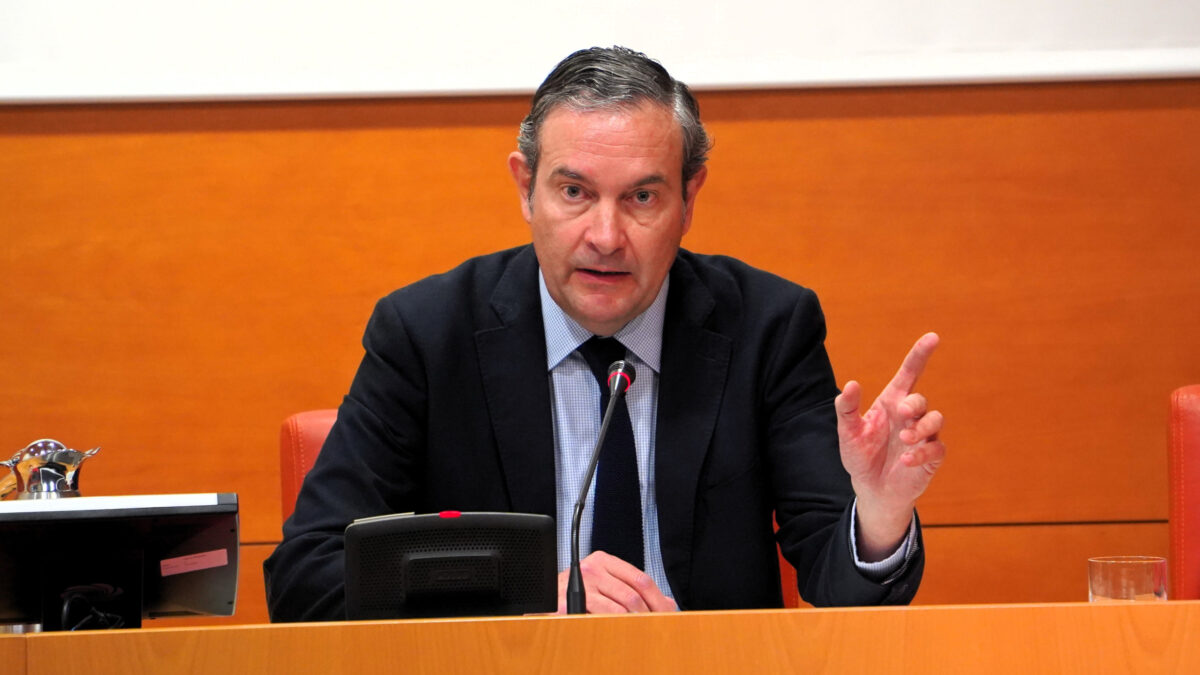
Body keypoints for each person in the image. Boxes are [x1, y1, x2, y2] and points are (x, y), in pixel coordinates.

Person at [263, 46, 945, 621]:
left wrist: (879, 516)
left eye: (642, 197)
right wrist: (531, 592)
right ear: (525, 188)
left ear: (689, 199)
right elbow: (307, 578)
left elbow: (840, 582)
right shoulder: (427, 334)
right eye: (575, 193)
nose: (606, 236)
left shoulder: (767, 328)